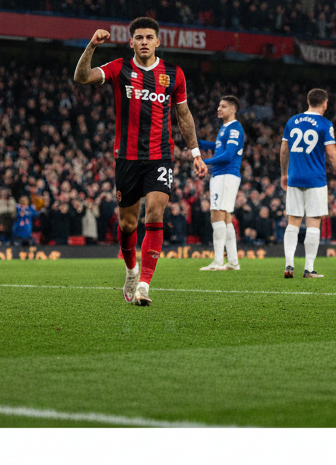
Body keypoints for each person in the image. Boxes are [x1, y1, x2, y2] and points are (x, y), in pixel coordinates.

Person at [73, 18, 208, 306]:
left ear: (158, 42)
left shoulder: (174, 74)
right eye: (139, 37)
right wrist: (91, 46)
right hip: (127, 158)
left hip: (160, 155)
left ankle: (145, 283)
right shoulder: (119, 68)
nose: (144, 41)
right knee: (127, 224)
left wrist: (195, 153)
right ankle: (132, 271)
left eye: (149, 37)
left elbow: (184, 116)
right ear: (131, 42)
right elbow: (82, 77)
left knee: (155, 214)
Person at [279, 88, 336, 279]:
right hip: (316, 179)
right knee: (313, 223)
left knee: (293, 222)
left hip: (295, 177)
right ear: (324, 104)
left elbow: (284, 149)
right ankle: (309, 269)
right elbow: (331, 153)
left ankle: (288, 265)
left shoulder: (292, 121)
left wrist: (284, 173)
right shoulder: (325, 124)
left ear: (308, 101)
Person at [198, 95, 246, 271]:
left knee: (216, 214)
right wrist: (195, 142)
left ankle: (218, 261)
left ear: (233, 109)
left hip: (226, 175)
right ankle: (233, 261)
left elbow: (227, 155)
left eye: (223, 106)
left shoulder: (234, 129)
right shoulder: (225, 128)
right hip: (224, 176)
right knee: (225, 218)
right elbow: (217, 145)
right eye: (219, 105)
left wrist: (205, 162)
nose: (219, 109)